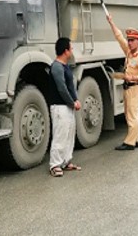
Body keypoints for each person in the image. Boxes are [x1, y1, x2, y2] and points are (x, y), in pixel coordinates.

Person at [106, 14, 138, 151]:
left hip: (134, 88)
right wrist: (111, 22)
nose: (129, 42)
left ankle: (130, 143)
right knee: (129, 114)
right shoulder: (129, 52)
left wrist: (133, 78)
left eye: (132, 40)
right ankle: (136, 139)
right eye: (129, 40)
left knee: (132, 115)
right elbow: (119, 37)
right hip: (128, 88)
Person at [48, 37, 82, 177]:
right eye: (71, 48)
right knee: (60, 135)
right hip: (59, 107)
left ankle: (66, 161)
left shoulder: (65, 66)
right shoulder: (56, 66)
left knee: (69, 135)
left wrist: (76, 99)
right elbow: (62, 88)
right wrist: (72, 102)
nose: (72, 51)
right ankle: (55, 165)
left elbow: (70, 86)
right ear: (65, 51)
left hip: (68, 107)